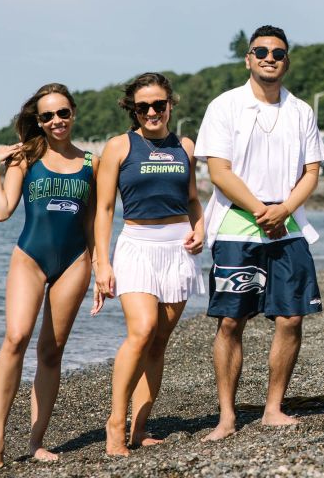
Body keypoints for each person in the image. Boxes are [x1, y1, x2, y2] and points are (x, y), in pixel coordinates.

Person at [195, 25, 324, 439]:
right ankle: (227, 416)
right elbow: (218, 171)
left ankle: (273, 407)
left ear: (286, 60)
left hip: (288, 226)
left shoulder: (302, 110)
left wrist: (284, 209)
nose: (270, 57)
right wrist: (259, 209)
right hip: (238, 223)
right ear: (248, 58)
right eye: (261, 51)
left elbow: (311, 171)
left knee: (290, 318)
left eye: (278, 52)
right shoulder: (225, 105)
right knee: (232, 321)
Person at [0, 83, 96, 467]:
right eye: (47, 116)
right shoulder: (25, 159)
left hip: (75, 261)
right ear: (39, 120)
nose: (56, 121)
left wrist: (100, 267)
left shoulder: (90, 163)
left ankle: (35, 441)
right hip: (30, 258)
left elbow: (96, 220)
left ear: (73, 113)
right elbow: (2, 210)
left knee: (50, 351)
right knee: (15, 338)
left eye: (62, 113)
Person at [92, 72, 205, 456]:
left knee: (158, 343)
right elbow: (105, 208)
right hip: (137, 246)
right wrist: (101, 262)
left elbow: (191, 199)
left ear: (170, 105)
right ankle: (115, 424)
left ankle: (140, 429)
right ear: (133, 110)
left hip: (177, 248)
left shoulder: (185, 146)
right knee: (142, 330)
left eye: (159, 104)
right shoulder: (120, 146)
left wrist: (201, 227)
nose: (152, 112)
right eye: (144, 107)